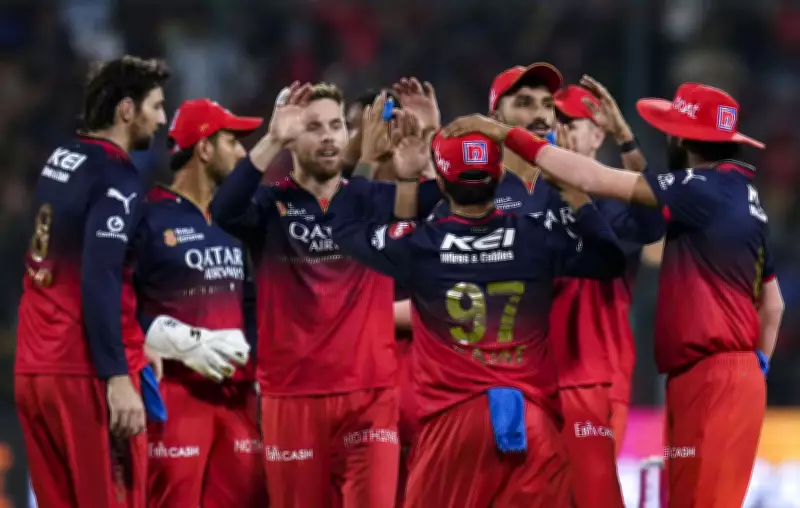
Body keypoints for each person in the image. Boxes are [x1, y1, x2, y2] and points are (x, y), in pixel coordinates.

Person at [444, 82, 785, 508]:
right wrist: (754, 367)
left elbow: (598, 182)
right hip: (703, 377)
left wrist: (503, 134)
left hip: (681, 377)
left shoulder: (696, 186)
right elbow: (773, 303)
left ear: (680, 139)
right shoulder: (740, 194)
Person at [329, 130, 628, 508]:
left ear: (441, 183)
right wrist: (575, 193)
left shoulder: (419, 245)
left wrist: (367, 160)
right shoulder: (535, 237)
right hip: (531, 419)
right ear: (500, 175)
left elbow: (342, 225)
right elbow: (609, 258)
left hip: (450, 425)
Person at [209, 82, 437, 508]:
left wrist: (429, 142)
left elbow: (454, 204)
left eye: (336, 125)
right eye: (314, 127)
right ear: (293, 136)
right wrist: (271, 139)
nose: (329, 136)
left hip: (370, 396)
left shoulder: (378, 200)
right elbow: (223, 211)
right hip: (293, 398)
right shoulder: (270, 207)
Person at [15, 56, 169, 508]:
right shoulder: (116, 176)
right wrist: (117, 374)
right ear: (126, 110)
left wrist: (133, 338)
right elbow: (99, 274)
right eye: (156, 106)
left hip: (34, 367)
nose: (162, 119)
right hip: (81, 372)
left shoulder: (62, 158)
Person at [133, 98, 268, 507]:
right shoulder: (147, 219)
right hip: (175, 396)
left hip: (237, 399)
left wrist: (260, 371)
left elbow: (248, 301)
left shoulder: (235, 221)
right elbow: (117, 305)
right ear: (205, 148)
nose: (242, 153)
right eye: (233, 141)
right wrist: (172, 338)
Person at [548, 81, 664, 505]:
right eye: (553, 122)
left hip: (597, 376)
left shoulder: (614, 203)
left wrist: (626, 139)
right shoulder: (531, 201)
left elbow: (654, 221)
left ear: (597, 135)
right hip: (538, 378)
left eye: (570, 123)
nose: (558, 131)